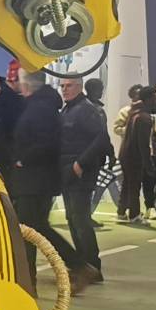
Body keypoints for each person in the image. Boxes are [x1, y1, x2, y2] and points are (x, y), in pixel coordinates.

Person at [7, 70, 85, 290]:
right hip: (37, 179)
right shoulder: (42, 106)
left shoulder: (39, 109)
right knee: (36, 228)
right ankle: (73, 266)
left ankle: (72, 266)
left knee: (32, 230)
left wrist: (22, 159)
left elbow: (46, 144)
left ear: (26, 84)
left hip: (35, 179)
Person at [58, 74, 112, 285]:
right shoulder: (68, 110)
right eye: (62, 86)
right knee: (73, 219)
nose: (65, 89)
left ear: (80, 87)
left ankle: (92, 266)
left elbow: (101, 138)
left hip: (81, 172)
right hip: (68, 172)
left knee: (80, 220)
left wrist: (80, 164)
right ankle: (82, 265)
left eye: (69, 85)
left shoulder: (86, 110)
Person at [116, 87, 156, 224]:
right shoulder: (144, 117)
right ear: (148, 99)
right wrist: (148, 163)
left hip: (125, 153)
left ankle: (121, 211)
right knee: (134, 185)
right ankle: (134, 215)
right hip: (134, 155)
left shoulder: (134, 112)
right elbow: (143, 144)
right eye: (154, 98)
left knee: (127, 183)